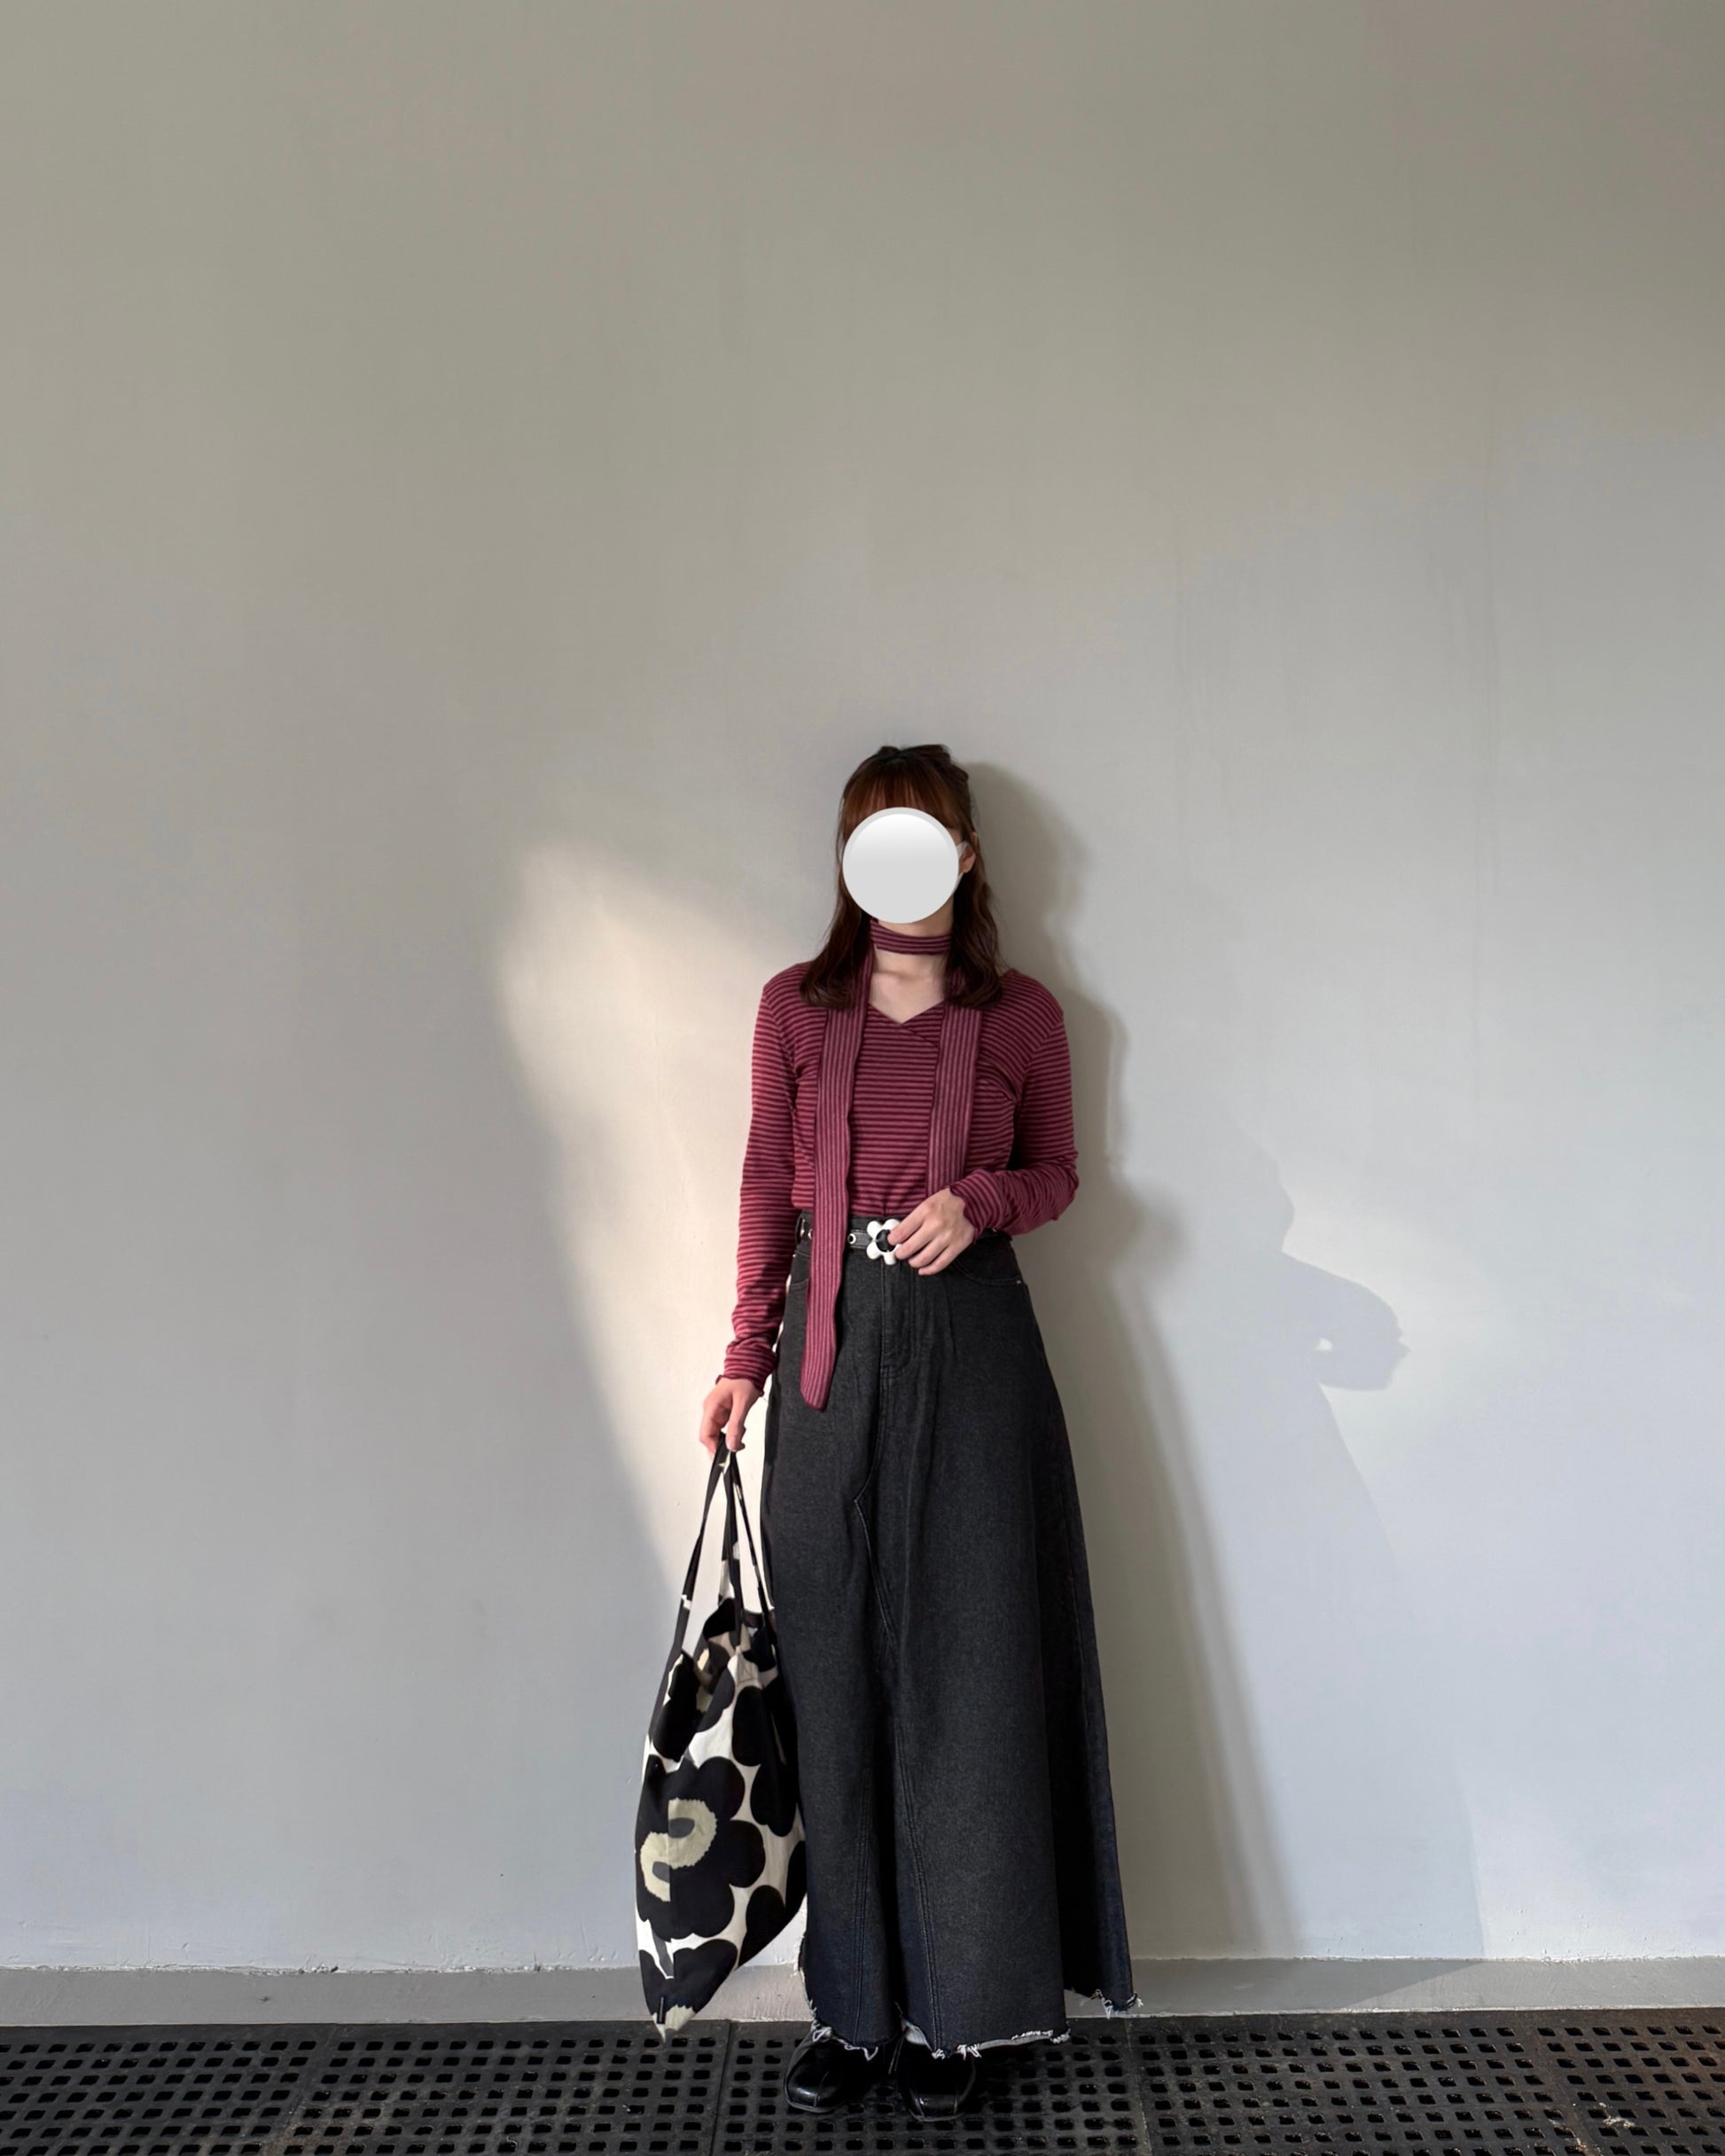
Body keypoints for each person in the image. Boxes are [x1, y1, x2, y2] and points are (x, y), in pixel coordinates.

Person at [699, 745, 1136, 2120]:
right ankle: (856, 2009)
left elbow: (1059, 1172)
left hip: (975, 1356)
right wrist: (743, 1359)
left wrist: (980, 1202)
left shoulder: (1022, 1015)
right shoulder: (793, 1007)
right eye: (878, 837)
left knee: (971, 1671)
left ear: (965, 853)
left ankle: (971, 2014)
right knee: (831, 1680)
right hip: (829, 1368)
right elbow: (765, 1186)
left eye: (928, 835)